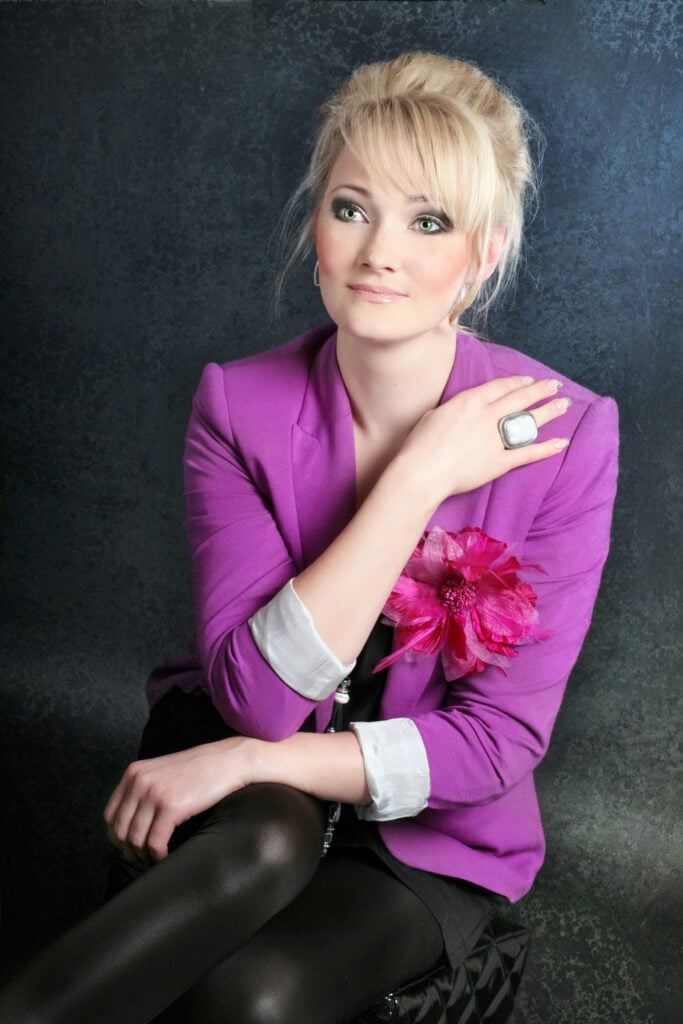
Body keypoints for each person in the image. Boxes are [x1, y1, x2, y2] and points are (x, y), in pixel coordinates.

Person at [0, 52, 618, 1024]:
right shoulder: (236, 405)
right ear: (315, 223)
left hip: (426, 827)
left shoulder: (565, 436)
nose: (379, 252)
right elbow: (254, 698)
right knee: (262, 844)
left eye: (428, 222)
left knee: (254, 998)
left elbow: (493, 742)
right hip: (240, 740)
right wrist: (415, 478)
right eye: (349, 207)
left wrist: (257, 764)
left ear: (484, 253)